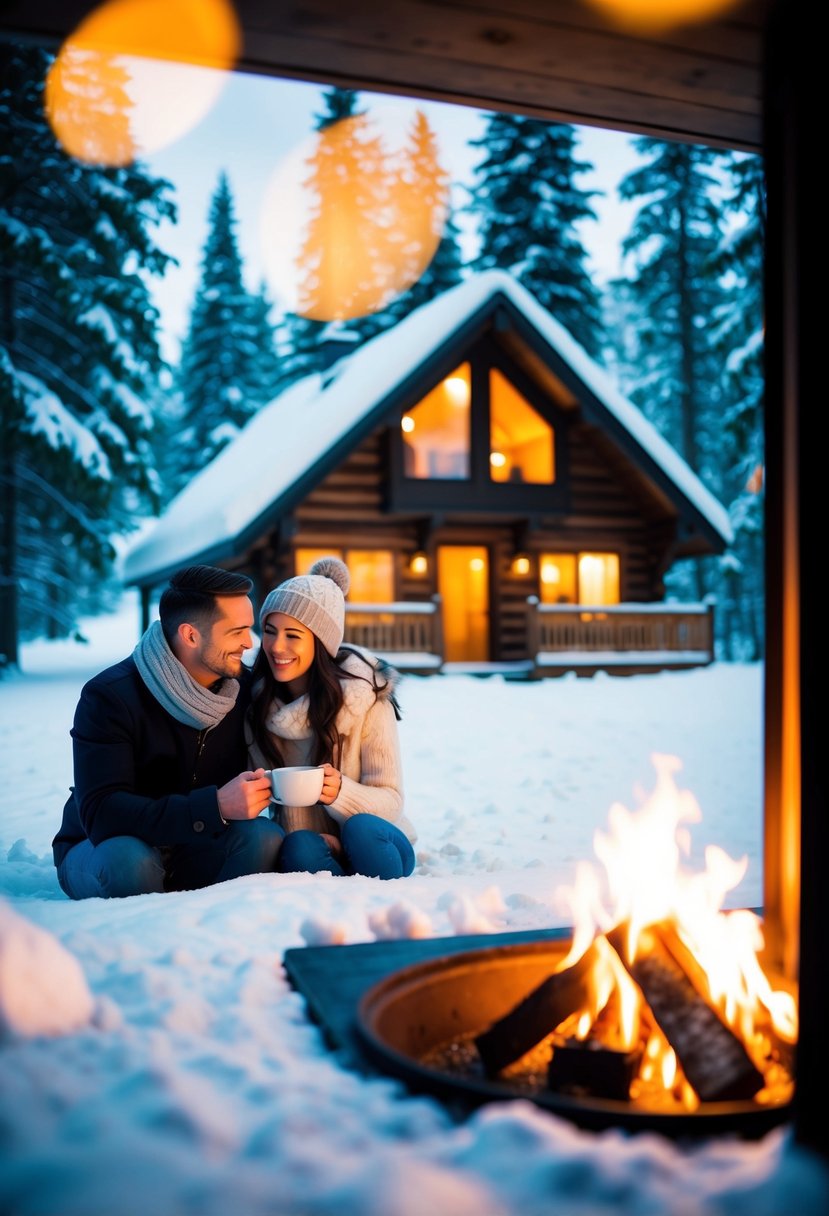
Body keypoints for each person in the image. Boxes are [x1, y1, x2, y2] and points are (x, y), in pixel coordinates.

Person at [53, 566, 285, 899]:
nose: (249, 643)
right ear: (191, 635)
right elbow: (102, 813)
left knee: (263, 838)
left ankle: (216, 930)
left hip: (196, 846)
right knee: (130, 862)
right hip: (106, 849)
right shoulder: (110, 696)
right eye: (237, 632)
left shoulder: (242, 690)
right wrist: (215, 806)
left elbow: (306, 688)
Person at [247, 557, 416, 879]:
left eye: (293, 635)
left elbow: (391, 800)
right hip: (312, 848)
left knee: (362, 829)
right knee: (299, 846)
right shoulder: (257, 705)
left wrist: (340, 793)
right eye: (270, 631)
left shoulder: (366, 696)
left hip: (379, 843)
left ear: (320, 642)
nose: (276, 646)